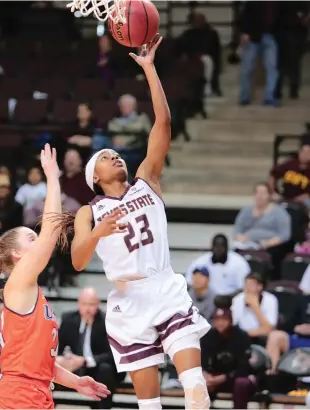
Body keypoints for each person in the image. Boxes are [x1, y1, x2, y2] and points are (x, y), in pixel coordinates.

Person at [68, 37, 211, 410]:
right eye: (105, 156)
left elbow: (163, 122)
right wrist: (98, 232)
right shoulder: (90, 211)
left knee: (196, 391)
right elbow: (78, 261)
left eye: (116, 153)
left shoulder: (147, 179)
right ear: (94, 177)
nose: (114, 156)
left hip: (164, 287)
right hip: (128, 301)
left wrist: (149, 69)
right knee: (150, 406)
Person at [0, 145, 109, 409]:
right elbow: (52, 230)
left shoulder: (31, 291)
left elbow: (40, 362)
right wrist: (53, 177)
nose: (39, 240)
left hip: (35, 392)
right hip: (19, 395)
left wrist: (76, 382)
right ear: (18, 253)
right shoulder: (18, 281)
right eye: (32, 238)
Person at [57, 287, 122, 409]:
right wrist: (63, 360)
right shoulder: (68, 319)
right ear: (78, 303)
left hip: (98, 368)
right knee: (52, 366)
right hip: (76, 367)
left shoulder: (106, 322)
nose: (87, 309)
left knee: (105, 369)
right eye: (84, 304)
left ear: (98, 304)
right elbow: (58, 347)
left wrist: (85, 360)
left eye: (91, 304)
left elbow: (112, 354)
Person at [201, 308, 257, 409]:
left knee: (241, 383)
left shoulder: (241, 336)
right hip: (215, 378)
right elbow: (202, 361)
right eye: (217, 319)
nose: (220, 323)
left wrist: (222, 378)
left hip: (235, 377)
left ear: (230, 320)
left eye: (224, 319)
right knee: (198, 381)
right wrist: (206, 375)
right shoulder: (208, 336)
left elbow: (243, 368)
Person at [186, 234, 251, 296]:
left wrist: (228, 298)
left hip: (231, 299)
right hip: (207, 299)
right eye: (216, 246)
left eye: (221, 246)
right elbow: (189, 282)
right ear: (211, 247)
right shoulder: (200, 262)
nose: (219, 249)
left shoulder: (239, 263)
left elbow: (244, 288)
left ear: (227, 248)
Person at [231, 273, 278, 345]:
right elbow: (232, 323)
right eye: (246, 285)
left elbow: (269, 329)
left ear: (260, 286)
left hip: (263, 338)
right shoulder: (238, 299)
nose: (247, 288)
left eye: (251, 285)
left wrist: (255, 307)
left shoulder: (270, 300)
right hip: (242, 337)